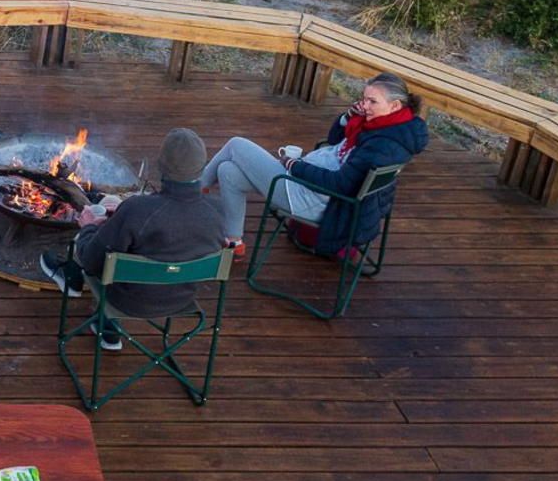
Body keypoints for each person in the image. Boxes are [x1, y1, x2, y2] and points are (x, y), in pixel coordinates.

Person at [199, 72, 428, 255]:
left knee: (237, 144)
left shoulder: (382, 145)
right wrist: (350, 115)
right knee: (227, 170)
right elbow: (335, 139)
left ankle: (193, 190)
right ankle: (233, 241)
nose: (364, 105)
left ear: (395, 106)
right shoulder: (387, 127)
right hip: (310, 186)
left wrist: (293, 166)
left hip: (312, 198)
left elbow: (339, 184)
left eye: (372, 101)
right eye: (364, 98)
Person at [37, 128, 226, 350]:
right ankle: (105, 326)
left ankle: (73, 279)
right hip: (181, 299)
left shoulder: (137, 210)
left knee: (97, 239)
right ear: (202, 167)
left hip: (126, 300)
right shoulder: (217, 212)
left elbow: (91, 260)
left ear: (161, 166)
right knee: (137, 244)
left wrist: (89, 227)